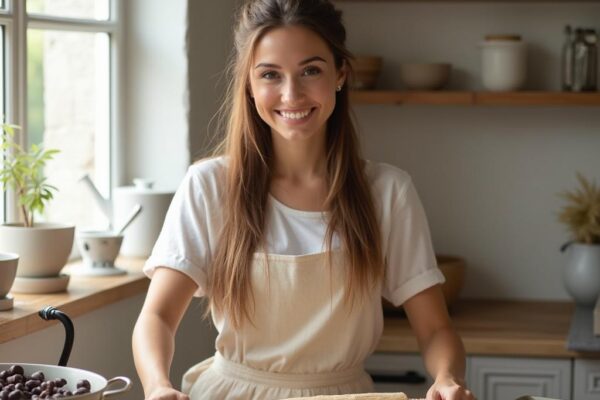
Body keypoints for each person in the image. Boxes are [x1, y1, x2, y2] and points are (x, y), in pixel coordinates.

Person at [132, 0, 475, 399]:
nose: (291, 94)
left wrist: (448, 379)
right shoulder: (209, 185)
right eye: (270, 75)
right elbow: (156, 316)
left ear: (341, 75)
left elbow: (435, 329)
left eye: (311, 70)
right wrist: (158, 386)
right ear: (248, 83)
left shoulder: (387, 192)